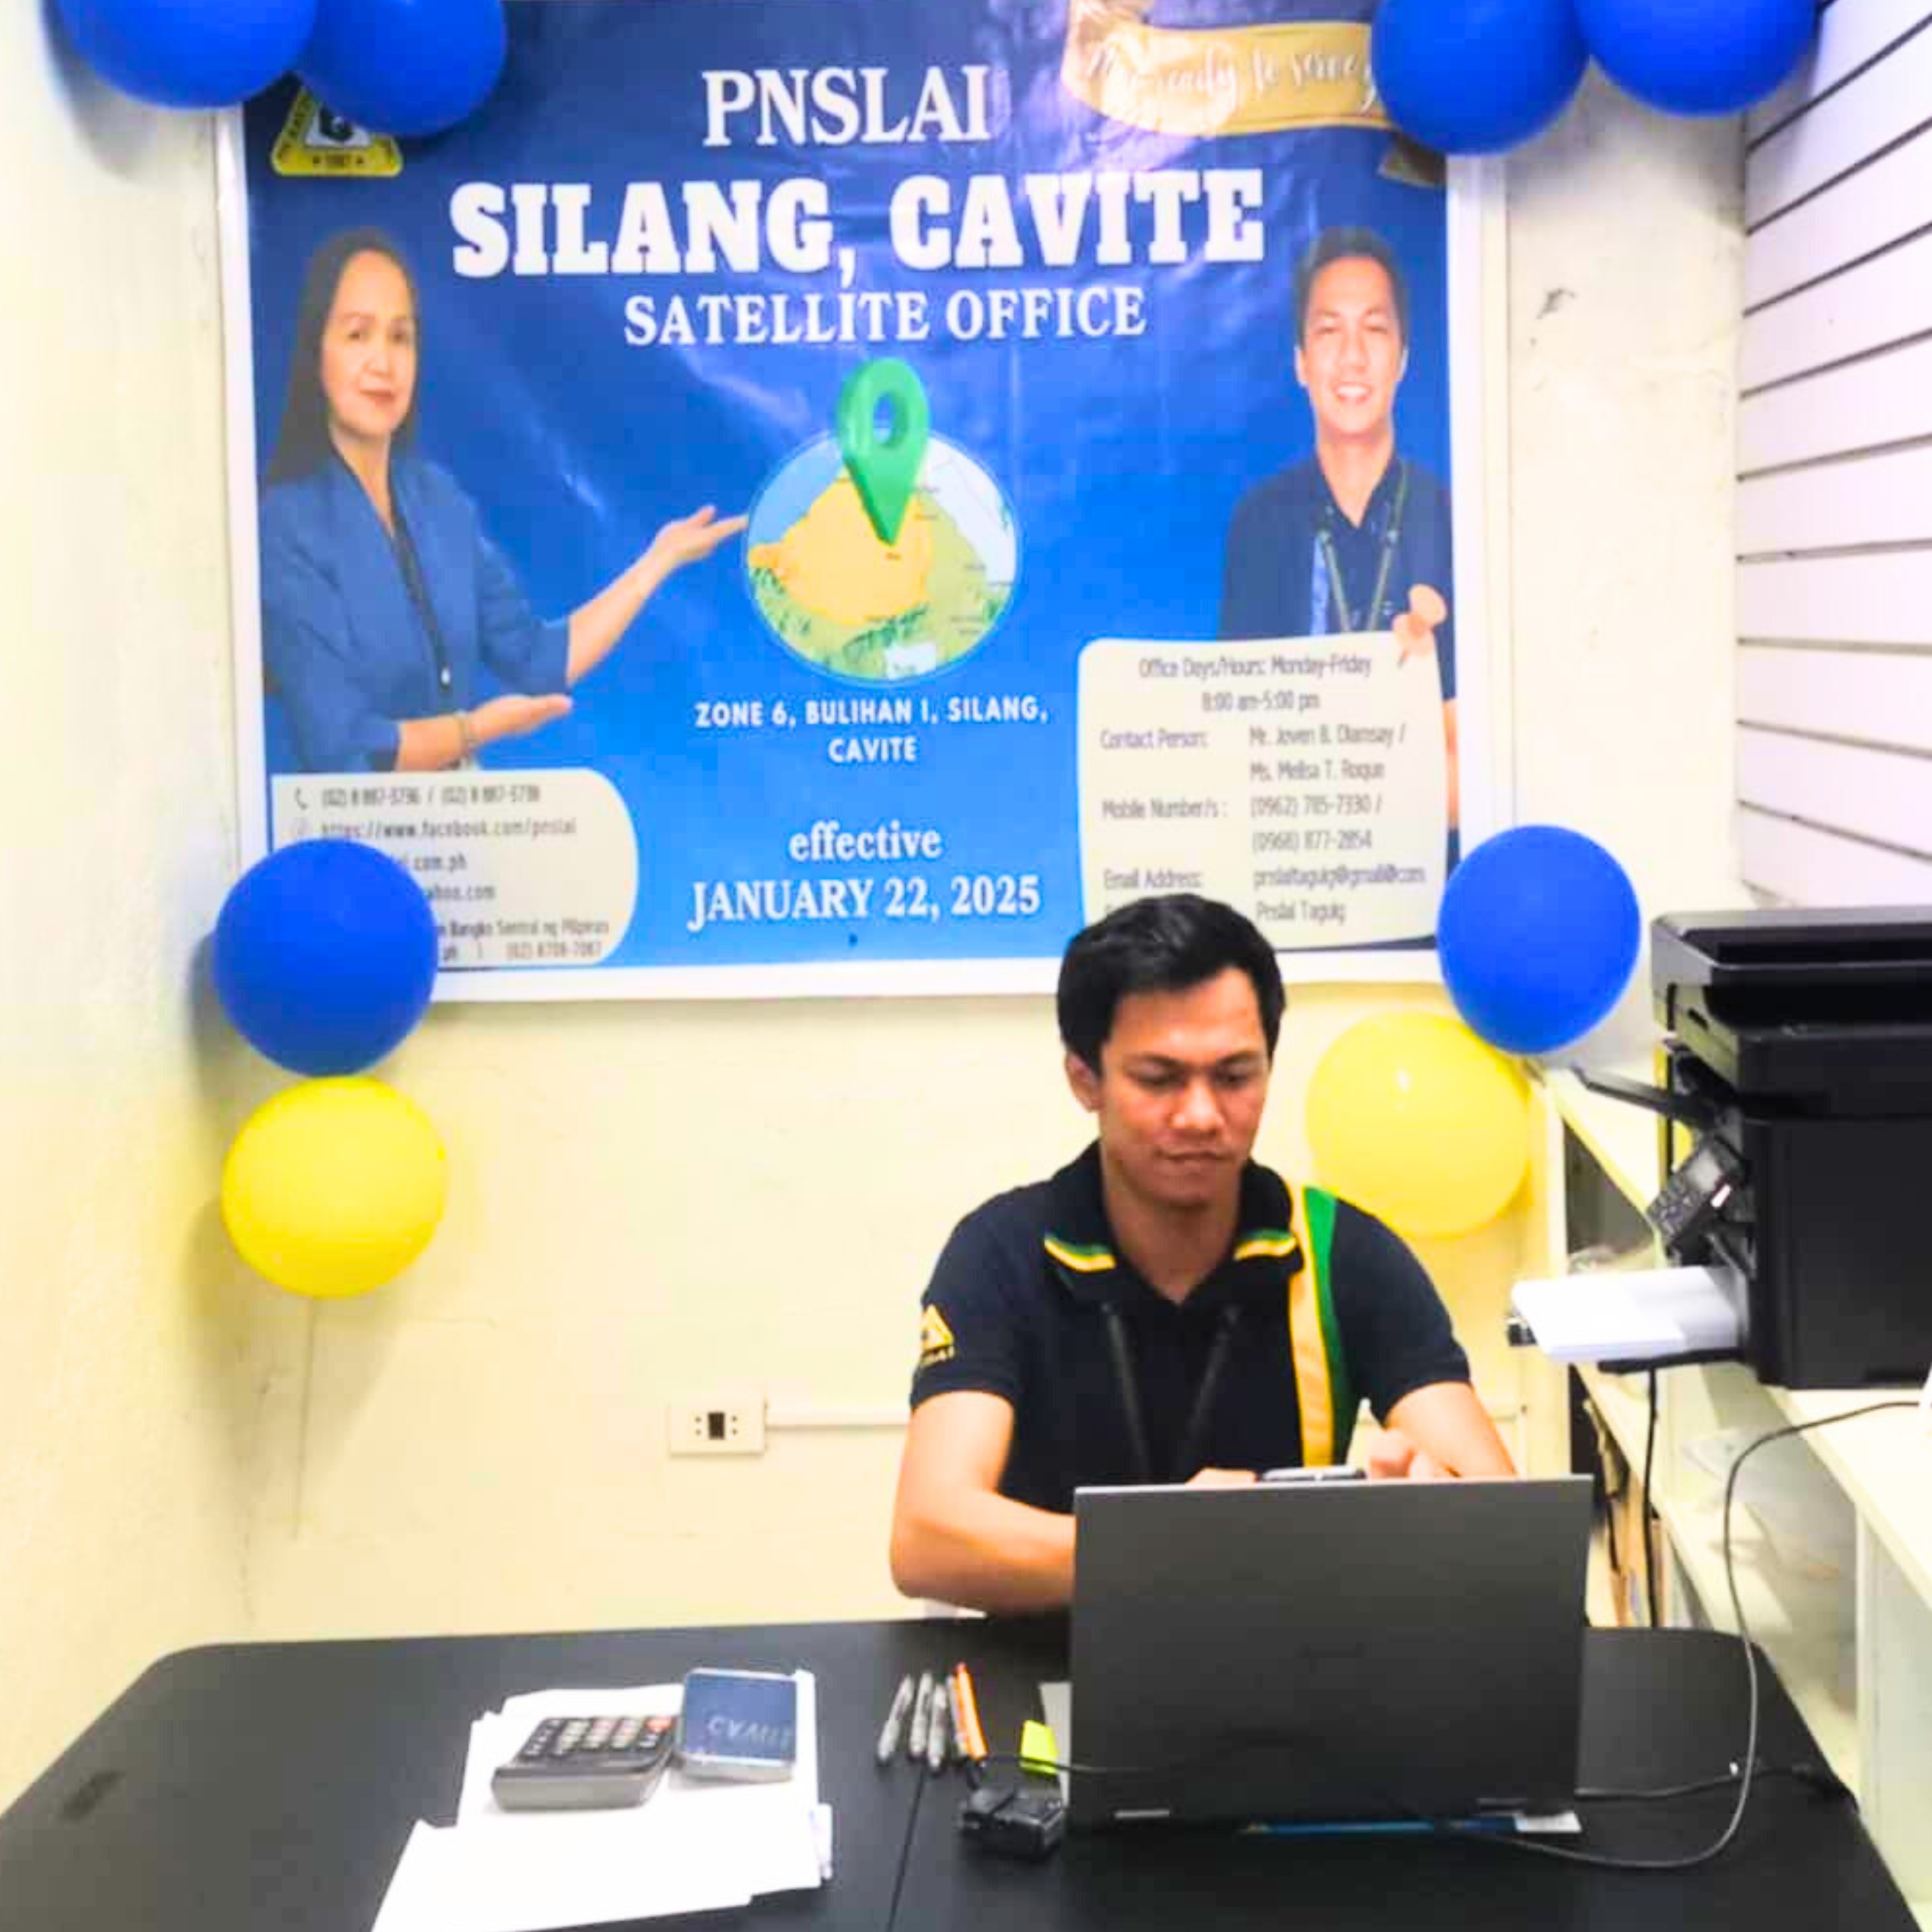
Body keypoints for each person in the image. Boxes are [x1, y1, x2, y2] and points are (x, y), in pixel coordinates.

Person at [889, 894, 1512, 1615]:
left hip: (1282, 1653)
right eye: (1159, 1080)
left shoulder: (1342, 1251)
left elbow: (1503, 1520)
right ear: (1085, 1079)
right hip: (1052, 1655)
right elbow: (925, 1538)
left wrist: (1431, 1511)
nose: (1202, 1115)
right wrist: (1178, 1547)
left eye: (1235, 1076)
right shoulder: (1002, 1252)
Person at [260, 227, 745, 773]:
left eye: (401, 338)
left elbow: (538, 660)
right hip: (352, 822)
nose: (383, 363)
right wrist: (476, 729)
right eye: (357, 335)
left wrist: (658, 561)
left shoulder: (438, 501)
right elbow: (339, 743)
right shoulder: (287, 525)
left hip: (464, 811)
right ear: (315, 353)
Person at [1219, 225, 1458, 828]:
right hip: (1294, 846)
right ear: (1301, 362)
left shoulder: (1449, 518)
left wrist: (1422, 698)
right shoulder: (1260, 523)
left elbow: (1477, 746)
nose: (1353, 357)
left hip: (1421, 850)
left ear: (1403, 358)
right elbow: (1233, 727)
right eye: (1330, 331)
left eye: (1374, 329)